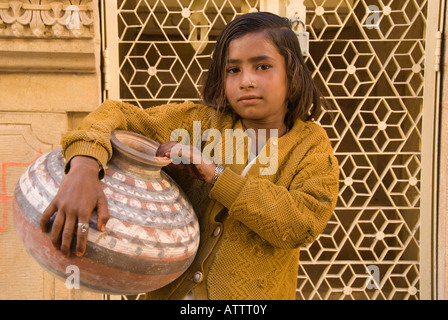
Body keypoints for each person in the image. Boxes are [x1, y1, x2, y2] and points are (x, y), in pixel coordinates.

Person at [40, 12, 339, 300]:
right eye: (233, 69)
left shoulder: (311, 146)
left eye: (262, 66)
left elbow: (301, 223)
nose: (246, 81)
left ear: (292, 72)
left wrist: (216, 175)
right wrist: (84, 166)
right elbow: (115, 115)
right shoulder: (197, 124)